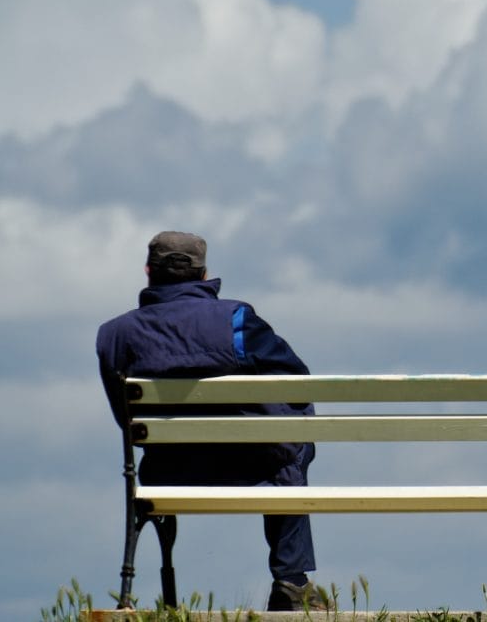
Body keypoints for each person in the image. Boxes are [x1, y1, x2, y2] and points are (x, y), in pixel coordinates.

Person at [96, 231, 322, 611]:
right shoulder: (234, 320)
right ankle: (291, 581)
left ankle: (138, 593)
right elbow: (297, 383)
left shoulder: (113, 335)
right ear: (204, 275)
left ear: (148, 272)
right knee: (293, 442)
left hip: (165, 474)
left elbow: (126, 420)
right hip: (256, 468)